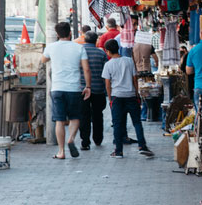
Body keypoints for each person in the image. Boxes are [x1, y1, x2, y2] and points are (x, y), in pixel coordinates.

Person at [42, 22, 91, 159]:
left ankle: (61, 151)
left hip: (57, 88)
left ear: (57, 34)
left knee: (59, 120)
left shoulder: (51, 47)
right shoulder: (78, 48)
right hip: (74, 88)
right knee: (75, 117)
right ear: (70, 33)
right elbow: (86, 69)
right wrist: (88, 86)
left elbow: (43, 59)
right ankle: (71, 139)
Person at [102, 39, 154, 158]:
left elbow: (107, 84)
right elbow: (134, 79)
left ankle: (119, 151)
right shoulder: (129, 61)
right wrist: (137, 94)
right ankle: (142, 146)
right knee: (136, 122)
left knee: (117, 124)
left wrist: (110, 99)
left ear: (108, 51)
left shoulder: (108, 65)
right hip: (130, 95)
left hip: (117, 97)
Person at [79, 31, 108, 150]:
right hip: (98, 89)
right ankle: (98, 139)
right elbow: (106, 73)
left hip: (81, 89)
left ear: (84, 40)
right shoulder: (101, 54)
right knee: (98, 115)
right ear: (96, 40)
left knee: (83, 116)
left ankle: (85, 142)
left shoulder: (78, 52)